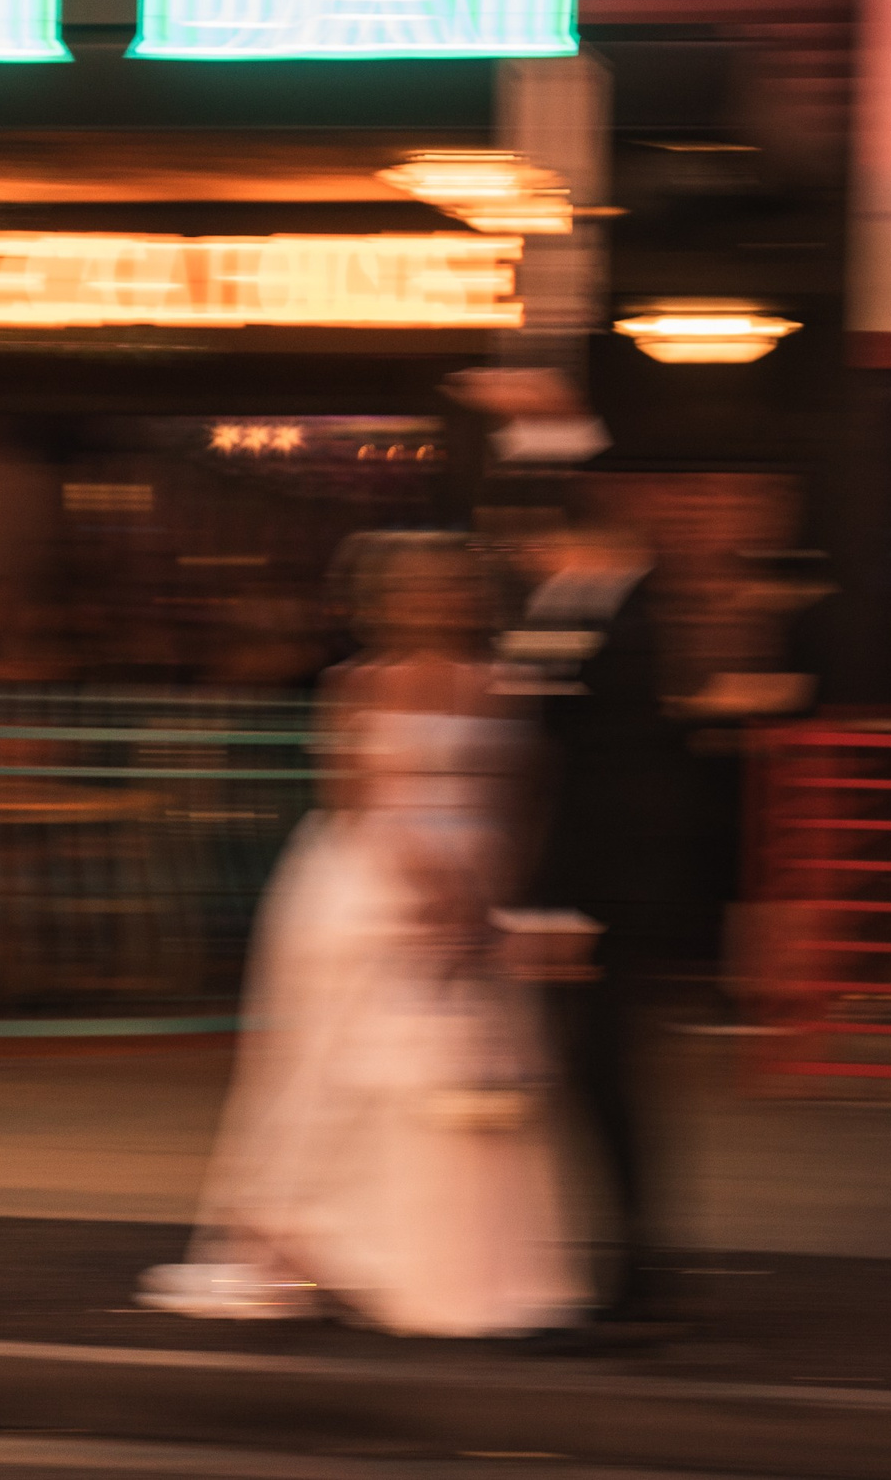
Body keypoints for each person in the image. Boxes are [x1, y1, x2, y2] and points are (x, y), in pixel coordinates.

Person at [140, 533, 583, 1337]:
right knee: (344, 1072)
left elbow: (525, 796)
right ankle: (324, 1245)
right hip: (367, 889)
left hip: (477, 885)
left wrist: (491, 892)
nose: (436, 601)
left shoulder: (503, 685)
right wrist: (433, 890)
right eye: (417, 588)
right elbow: (355, 795)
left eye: (451, 586)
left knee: (460, 1080)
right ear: (384, 600)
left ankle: (449, 1262)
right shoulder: (356, 685)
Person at [500, 510, 698, 1331]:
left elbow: (597, 782)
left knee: (596, 1076)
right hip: (592, 888)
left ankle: (630, 1268)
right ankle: (613, 1259)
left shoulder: (608, 621)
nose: (517, 551)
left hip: (594, 894)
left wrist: (559, 904)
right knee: (587, 1078)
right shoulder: (591, 614)